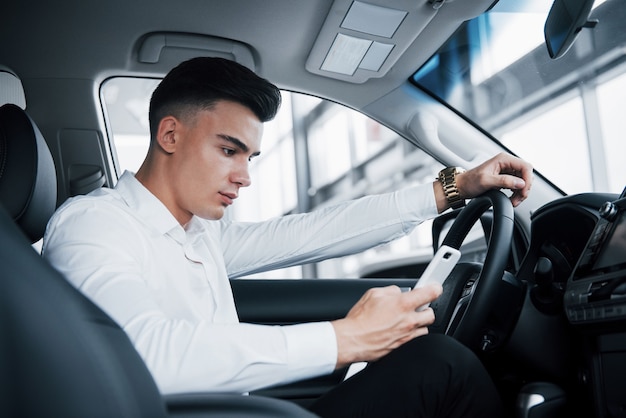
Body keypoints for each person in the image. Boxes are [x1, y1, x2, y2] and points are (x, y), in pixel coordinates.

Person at [43, 57, 533, 417]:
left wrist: (454, 187)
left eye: (250, 158)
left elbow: (312, 232)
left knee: (431, 359)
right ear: (170, 136)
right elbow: (144, 357)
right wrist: (347, 338)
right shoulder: (94, 223)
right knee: (443, 365)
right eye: (229, 150)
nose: (244, 176)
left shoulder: (199, 233)